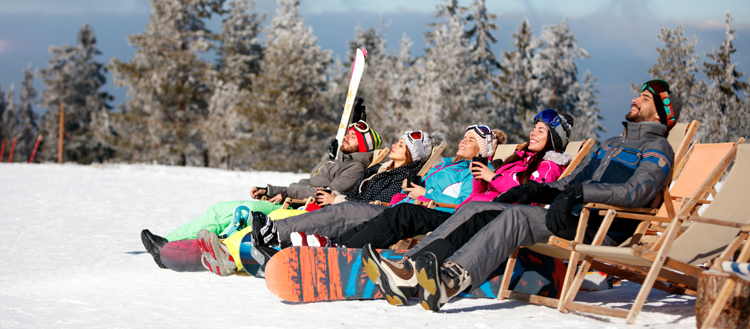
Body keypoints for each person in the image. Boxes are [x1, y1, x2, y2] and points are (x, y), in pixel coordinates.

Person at [364, 79, 682, 312]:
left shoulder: (658, 149)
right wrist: (537, 188)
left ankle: (449, 280)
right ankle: (410, 270)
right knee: (477, 205)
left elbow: (636, 192)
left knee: (516, 216)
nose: (635, 100)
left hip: (602, 226)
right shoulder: (611, 144)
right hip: (570, 216)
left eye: (644, 97)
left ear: (661, 113)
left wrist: (580, 193)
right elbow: (571, 180)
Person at [306, 109, 572, 257]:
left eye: (540, 130)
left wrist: (429, 193)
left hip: (465, 215)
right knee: (396, 211)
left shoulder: (545, 166)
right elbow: (477, 196)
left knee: (402, 213)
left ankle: (344, 251)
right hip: (467, 212)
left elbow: (530, 194)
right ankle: (338, 245)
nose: (532, 132)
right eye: (533, 127)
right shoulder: (511, 162)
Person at [140, 120, 381, 268]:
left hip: (299, 211)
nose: (345, 137)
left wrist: (279, 191)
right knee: (221, 212)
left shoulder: (355, 167)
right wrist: (278, 194)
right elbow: (311, 183)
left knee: (231, 215)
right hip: (290, 203)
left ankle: (172, 250)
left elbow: (323, 195)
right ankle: (170, 246)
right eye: (346, 133)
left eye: (352, 136)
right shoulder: (338, 163)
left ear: (364, 143)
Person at [250, 125, 503, 264]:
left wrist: (425, 194)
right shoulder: (445, 164)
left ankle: (332, 247)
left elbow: (465, 205)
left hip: (426, 212)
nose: (463, 141)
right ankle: (278, 234)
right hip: (403, 206)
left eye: (471, 140)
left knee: (346, 209)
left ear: (483, 149)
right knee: (343, 210)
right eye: (465, 137)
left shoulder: (476, 172)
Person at [198, 131, 433, 276]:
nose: (395, 145)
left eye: (401, 145)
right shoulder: (378, 169)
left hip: (371, 214)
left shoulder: (406, 175)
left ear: (412, 155)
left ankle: (240, 250)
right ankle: (244, 250)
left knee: (326, 216)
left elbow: (383, 202)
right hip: (351, 207)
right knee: (305, 222)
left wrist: (338, 199)